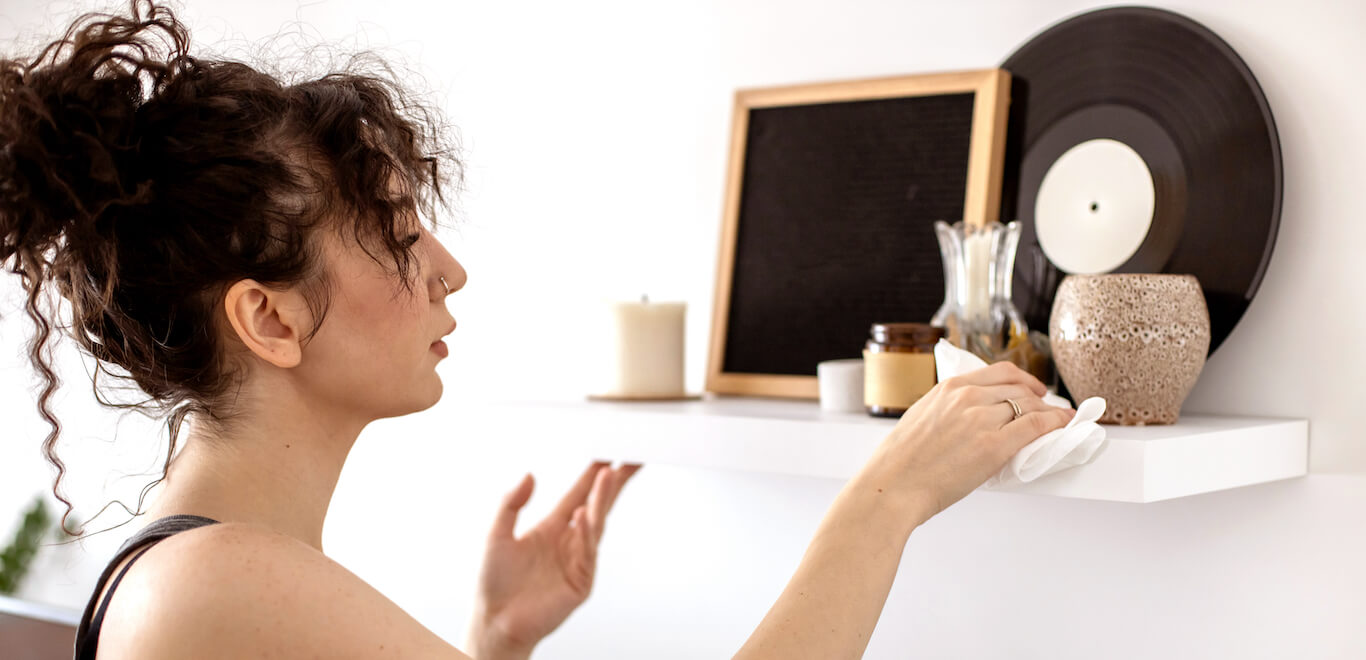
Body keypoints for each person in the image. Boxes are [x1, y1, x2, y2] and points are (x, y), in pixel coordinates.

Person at [0, 2, 1076, 658]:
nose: (448, 270)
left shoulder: (207, 575)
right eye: (396, 236)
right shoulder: (213, 584)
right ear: (268, 318)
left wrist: (493, 646)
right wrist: (884, 502)